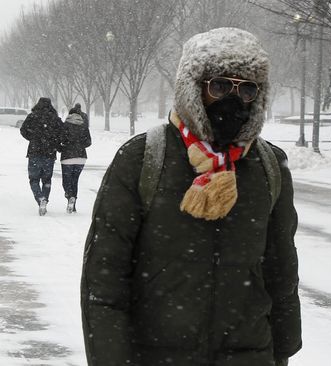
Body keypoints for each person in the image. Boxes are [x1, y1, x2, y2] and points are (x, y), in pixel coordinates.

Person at [80, 28, 301, 366]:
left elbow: (281, 272)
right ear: (193, 88)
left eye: (247, 89)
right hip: (155, 355)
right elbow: (104, 279)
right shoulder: (143, 158)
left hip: (247, 355)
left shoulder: (268, 166)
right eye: (220, 85)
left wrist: (282, 352)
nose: (233, 99)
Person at [20, 97, 62, 216]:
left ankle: (40, 198)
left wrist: (32, 138)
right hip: (49, 152)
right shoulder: (55, 119)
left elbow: (23, 130)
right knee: (46, 179)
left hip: (34, 152)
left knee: (34, 179)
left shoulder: (32, 117)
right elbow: (61, 133)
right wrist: (54, 141)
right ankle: (44, 198)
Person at [59, 106, 91, 213]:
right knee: (75, 181)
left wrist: (65, 146)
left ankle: (69, 196)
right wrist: (79, 145)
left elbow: (61, 139)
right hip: (81, 157)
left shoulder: (65, 125)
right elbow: (88, 142)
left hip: (67, 157)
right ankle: (73, 204)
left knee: (66, 181)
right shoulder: (84, 126)